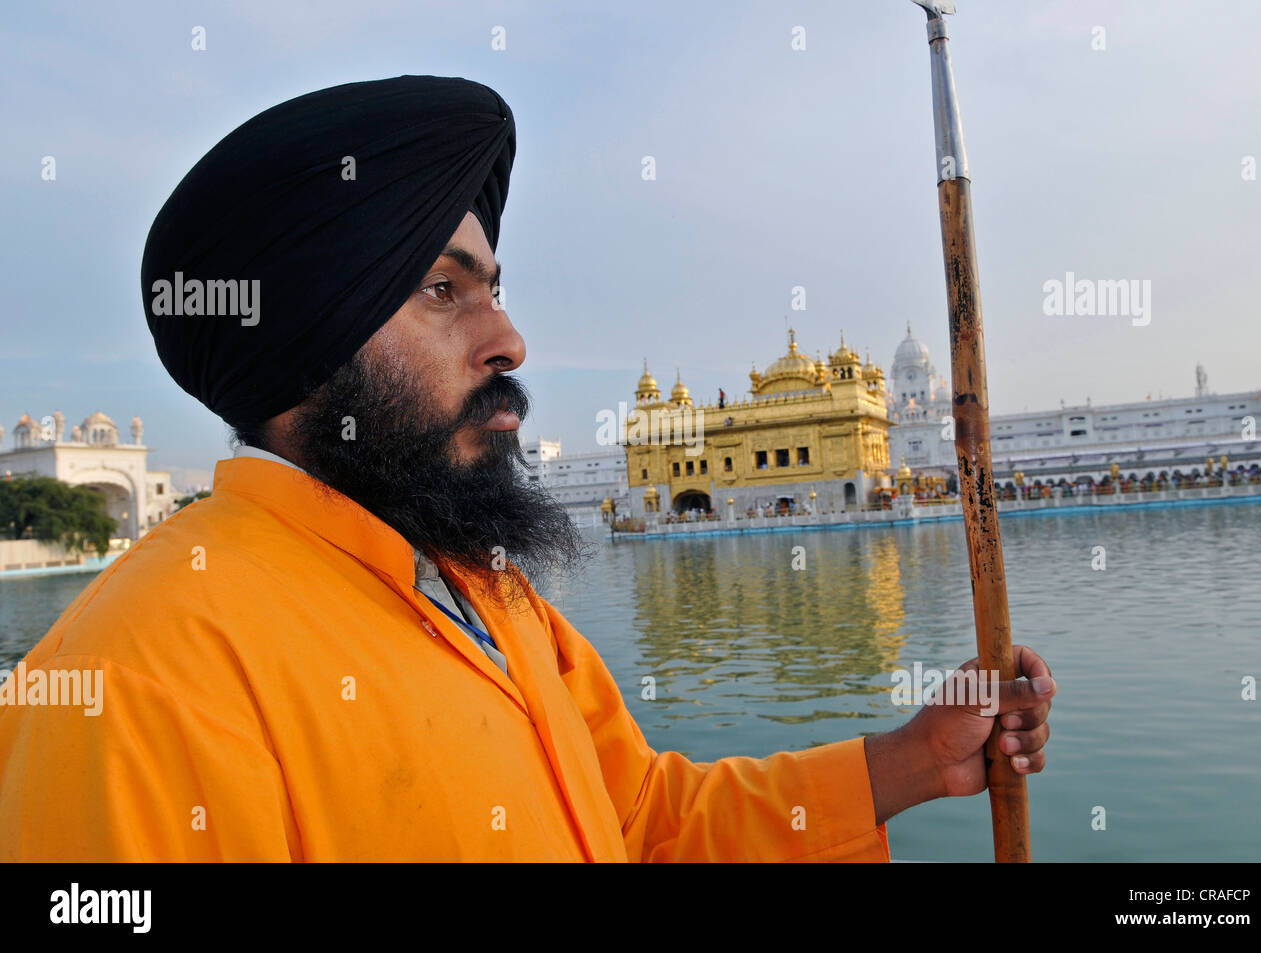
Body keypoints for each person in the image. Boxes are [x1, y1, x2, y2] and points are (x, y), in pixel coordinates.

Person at [0, 76, 1054, 862]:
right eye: (441, 290)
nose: (508, 336)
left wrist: (910, 761)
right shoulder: (140, 684)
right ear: (306, 339)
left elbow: (639, 821)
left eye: (493, 286)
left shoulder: (486, 598)